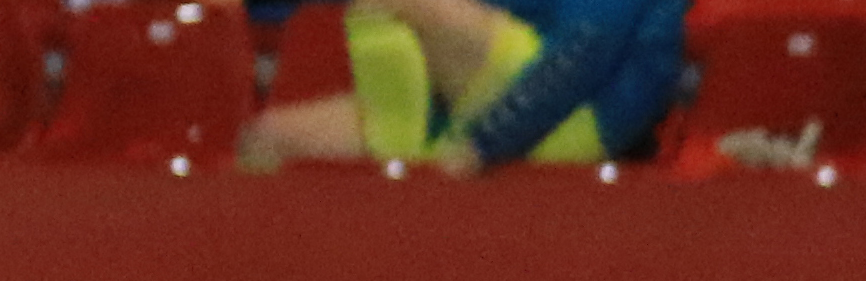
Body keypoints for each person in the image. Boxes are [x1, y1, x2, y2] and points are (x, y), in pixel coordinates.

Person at [239, 0, 685, 173]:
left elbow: (581, 60)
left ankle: (410, 175)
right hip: (462, 107)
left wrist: (481, 147)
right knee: (268, 140)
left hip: (577, 119)